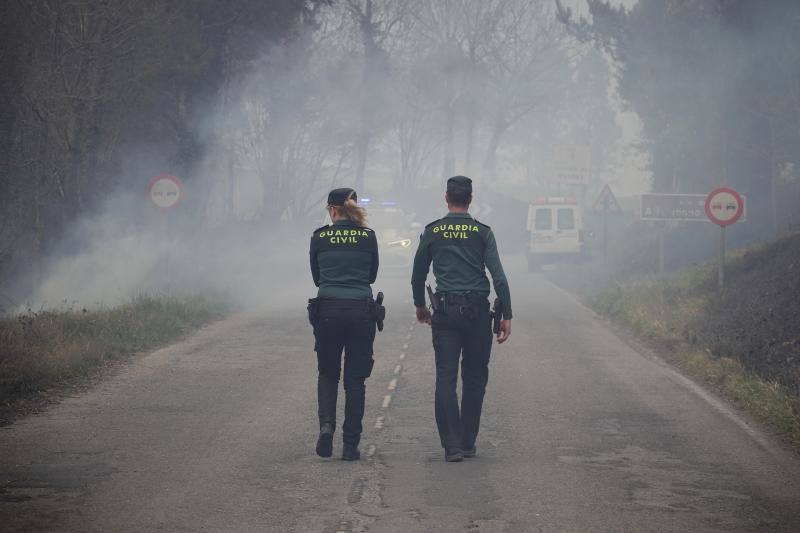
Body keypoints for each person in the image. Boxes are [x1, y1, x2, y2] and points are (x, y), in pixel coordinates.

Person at [411, 176, 512, 462]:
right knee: (475, 377)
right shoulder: (483, 233)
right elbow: (499, 278)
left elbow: (418, 273)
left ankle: (451, 445)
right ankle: (468, 441)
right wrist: (507, 314)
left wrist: (420, 305)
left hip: (445, 312)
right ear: (470, 198)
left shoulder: (433, 231)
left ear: (446, 197)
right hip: (478, 312)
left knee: (446, 377)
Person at [308, 188, 380, 461]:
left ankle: (326, 427)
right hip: (361, 312)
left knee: (328, 373)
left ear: (332, 210)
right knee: (355, 381)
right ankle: (350, 446)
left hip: (327, 311)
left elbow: (317, 278)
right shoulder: (368, 237)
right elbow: (372, 275)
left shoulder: (320, 237)